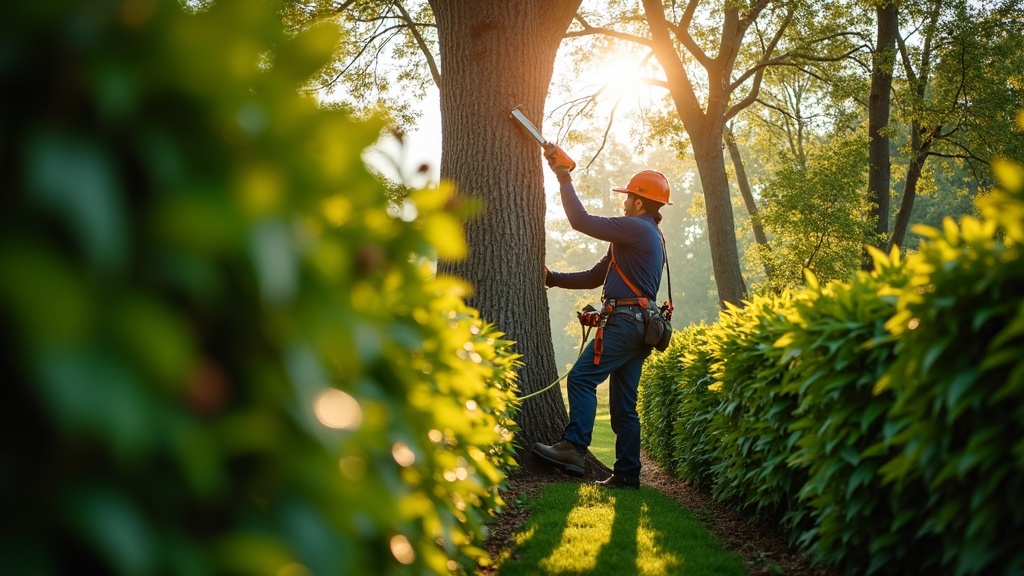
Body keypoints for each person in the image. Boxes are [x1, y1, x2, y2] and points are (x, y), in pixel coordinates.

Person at [533, 142, 671, 490]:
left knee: (581, 380)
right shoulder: (643, 237)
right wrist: (551, 279)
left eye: (627, 197)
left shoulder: (637, 228)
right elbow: (595, 276)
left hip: (625, 324)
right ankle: (627, 475)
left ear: (639, 202)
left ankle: (574, 448)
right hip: (641, 327)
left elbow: (579, 221)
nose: (623, 202)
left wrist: (564, 177)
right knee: (624, 408)